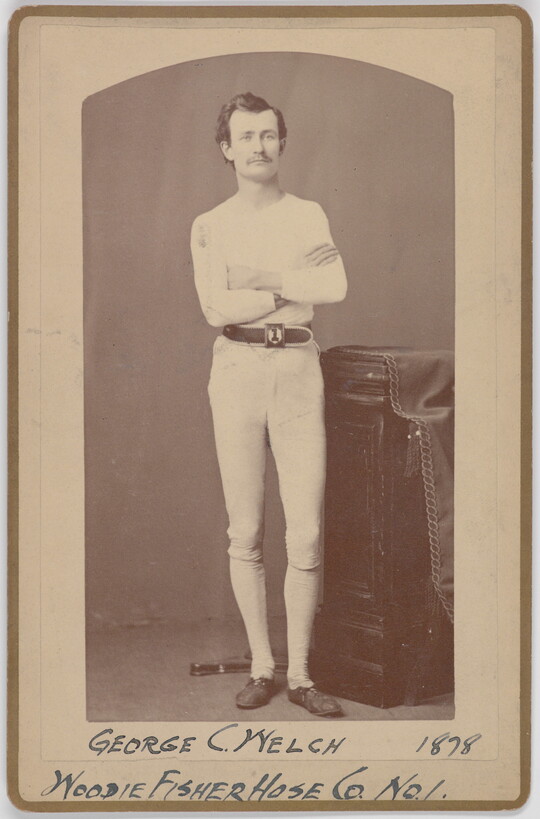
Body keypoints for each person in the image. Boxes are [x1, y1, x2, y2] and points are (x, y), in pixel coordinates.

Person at [190, 92, 347, 717]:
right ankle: (262, 666)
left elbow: (334, 287)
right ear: (226, 149)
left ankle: (302, 675)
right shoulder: (209, 224)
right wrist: (289, 282)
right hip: (236, 371)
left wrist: (259, 276)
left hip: (298, 369)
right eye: (246, 136)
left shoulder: (309, 213)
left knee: (305, 533)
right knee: (247, 530)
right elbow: (214, 308)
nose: (259, 146)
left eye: (268, 135)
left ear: (282, 142)